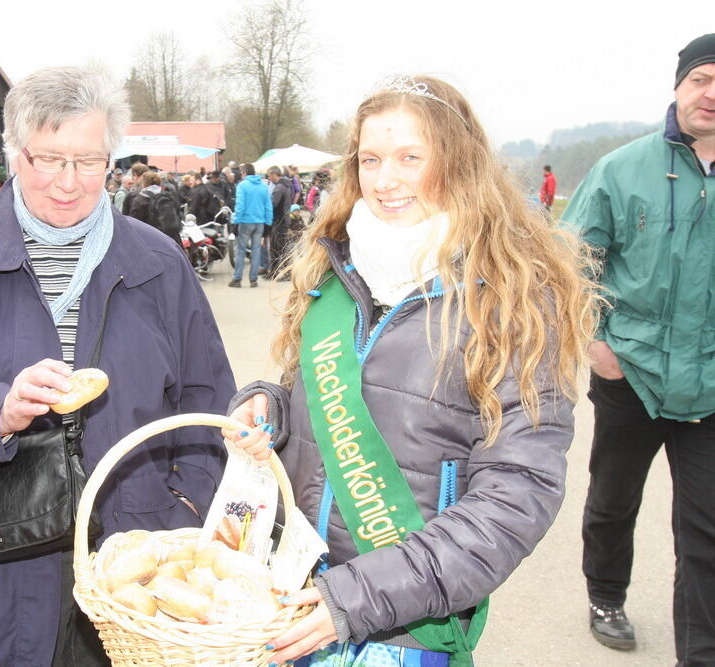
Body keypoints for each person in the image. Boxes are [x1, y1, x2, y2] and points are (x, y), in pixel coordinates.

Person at [226, 75, 599, 667]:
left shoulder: (511, 297)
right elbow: (331, 399)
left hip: (403, 629)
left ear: (456, 162)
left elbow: (515, 498)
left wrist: (353, 599)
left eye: (409, 157)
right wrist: (270, 405)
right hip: (293, 597)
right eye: (370, 159)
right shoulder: (334, 269)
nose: (384, 180)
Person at [0, 65, 235, 667]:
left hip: (137, 565)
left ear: (110, 161)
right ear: (15, 155)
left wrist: (185, 512)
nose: (68, 183)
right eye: (49, 159)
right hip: (6, 563)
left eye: (88, 161)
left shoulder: (158, 265)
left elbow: (205, 403)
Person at [564, 33, 715, 663]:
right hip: (632, 374)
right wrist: (597, 345)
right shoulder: (622, 169)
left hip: (709, 387)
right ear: (678, 87)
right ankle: (606, 595)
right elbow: (571, 265)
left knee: (706, 528)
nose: (712, 94)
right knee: (613, 498)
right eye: (701, 79)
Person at [229, 162, 271, 288]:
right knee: (256, 250)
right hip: (260, 223)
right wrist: (268, 224)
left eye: (241, 173)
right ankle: (253, 280)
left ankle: (237, 279)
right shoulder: (264, 187)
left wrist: (235, 222)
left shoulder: (242, 186)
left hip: (245, 222)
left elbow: (240, 206)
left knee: (241, 251)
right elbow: (268, 207)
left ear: (245, 173)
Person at [266, 166, 293, 278]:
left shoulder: (279, 188)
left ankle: (284, 272)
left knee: (277, 247)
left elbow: (272, 204)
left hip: (279, 220)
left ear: (274, 174)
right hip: (284, 220)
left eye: (269, 175)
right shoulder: (286, 186)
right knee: (280, 247)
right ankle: (276, 272)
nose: (268, 178)